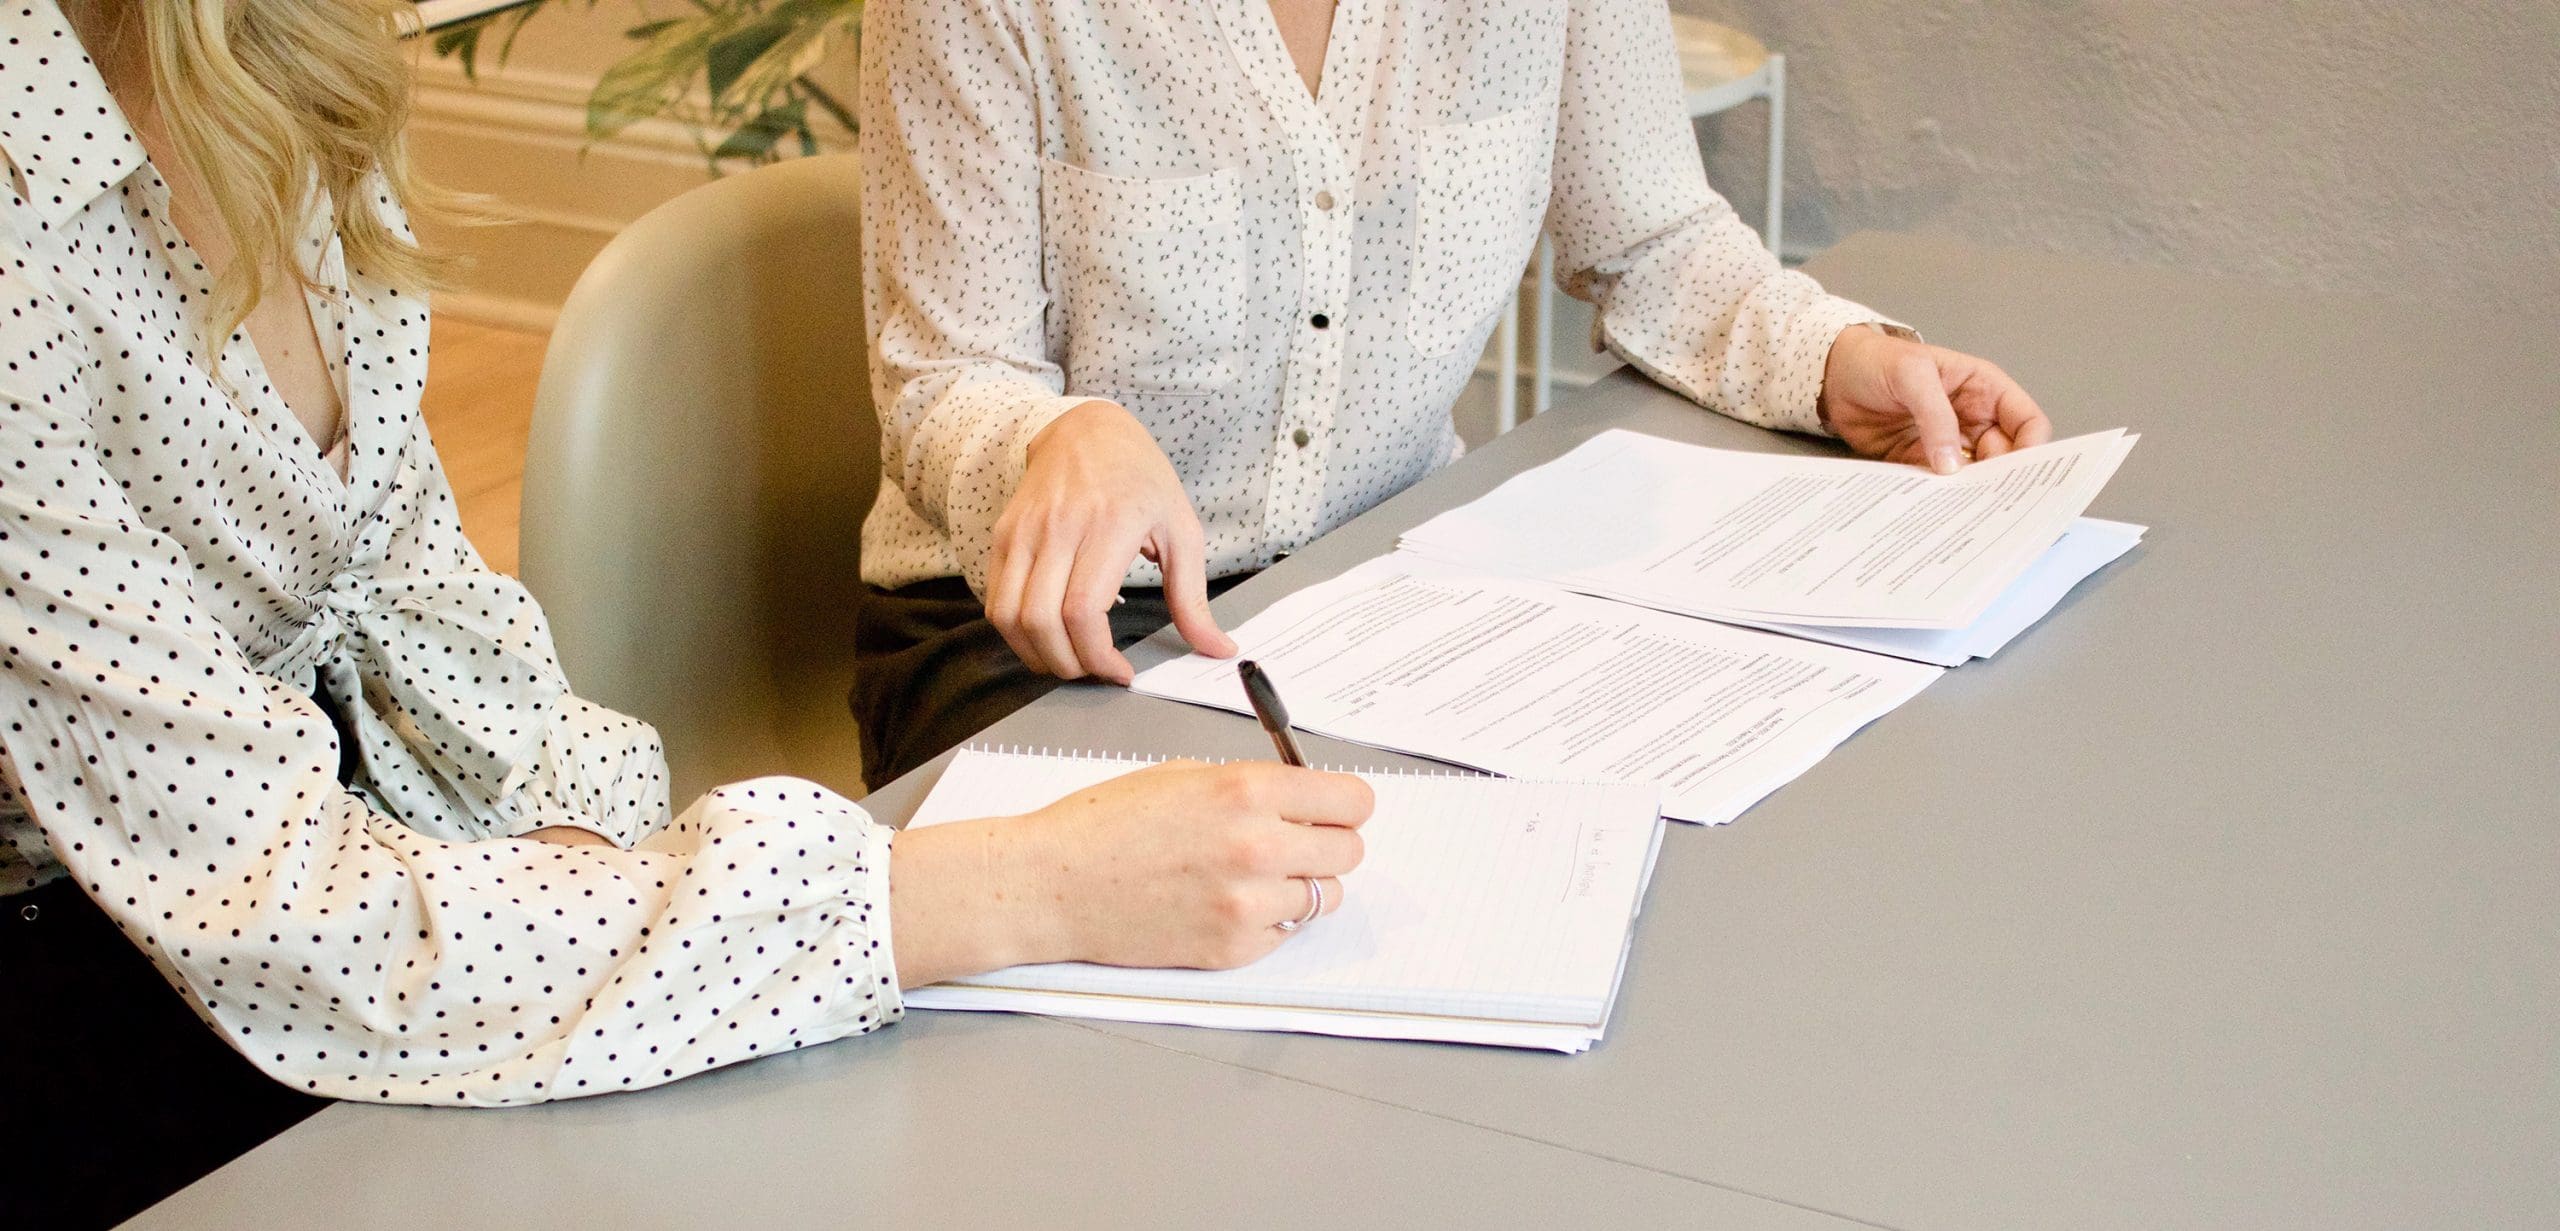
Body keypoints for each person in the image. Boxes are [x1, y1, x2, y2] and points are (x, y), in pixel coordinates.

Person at [0, 4, 1370, 1226]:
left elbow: (420, 609)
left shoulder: (283, 64)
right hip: (108, 967)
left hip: (337, 863)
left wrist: (588, 855)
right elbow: (292, 914)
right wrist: (1029, 886)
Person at [853, 0, 2057, 786]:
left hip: (1377, 593)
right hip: (1039, 635)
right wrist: (1058, 436)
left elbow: (1650, 236)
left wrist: (1836, 358)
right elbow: (944, 375)